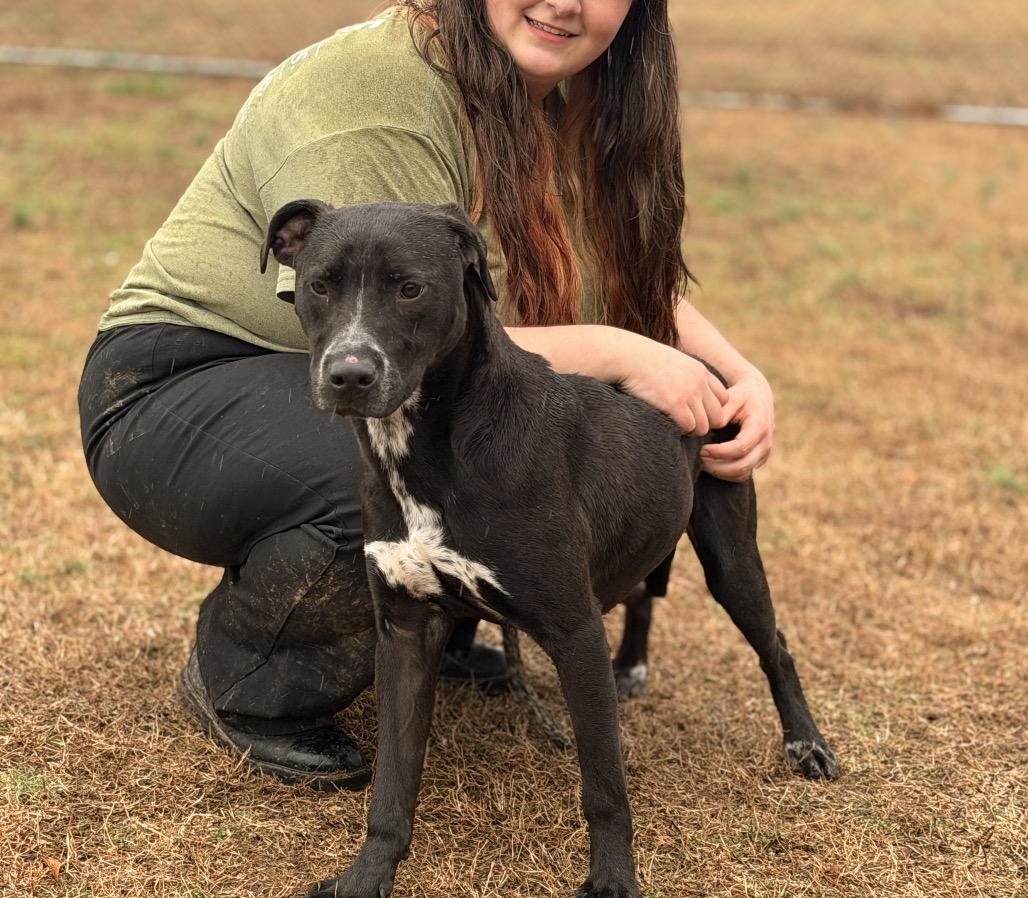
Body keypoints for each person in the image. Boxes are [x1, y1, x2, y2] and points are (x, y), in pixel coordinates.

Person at [77, 0, 775, 791]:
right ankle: (250, 682)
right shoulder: (376, 91)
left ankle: (436, 620)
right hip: (174, 386)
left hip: (353, 380)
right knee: (388, 482)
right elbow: (387, 329)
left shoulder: (538, 96)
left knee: (480, 447)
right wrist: (624, 351)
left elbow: (602, 273)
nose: (564, 2)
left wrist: (736, 374)